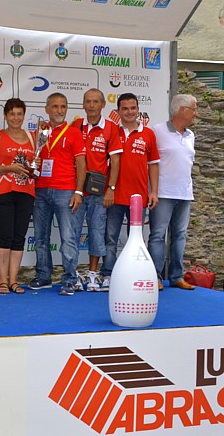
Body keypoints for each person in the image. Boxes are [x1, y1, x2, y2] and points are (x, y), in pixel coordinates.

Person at [28, 92, 86, 296]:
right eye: (55, 106)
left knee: (68, 237)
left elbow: (81, 165)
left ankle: (70, 279)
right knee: (40, 237)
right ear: (47, 109)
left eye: (63, 106)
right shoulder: (41, 133)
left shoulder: (74, 133)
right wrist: (33, 166)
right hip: (41, 189)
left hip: (65, 190)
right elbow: (36, 160)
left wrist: (78, 191)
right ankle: (44, 276)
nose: (59, 111)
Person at [103, 93, 160, 290]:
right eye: (125, 108)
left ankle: (133, 275)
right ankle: (108, 275)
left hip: (138, 197)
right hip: (114, 195)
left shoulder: (149, 134)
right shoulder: (112, 131)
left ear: (138, 110)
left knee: (135, 240)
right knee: (110, 238)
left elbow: (153, 165)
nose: (129, 112)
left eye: (132, 108)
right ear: (118, 111)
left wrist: (154, 192)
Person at [71, 88, 122, 292]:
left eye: (95, 102)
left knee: (97, 233)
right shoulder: (75, 126)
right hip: (76, 191)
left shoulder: (111, 128)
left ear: (102, 105)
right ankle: (72, 273)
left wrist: (111, 189)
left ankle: (93, 275)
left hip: (99, 192)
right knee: (72, 234)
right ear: (83, 105)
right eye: (88, 101)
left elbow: (116, 161)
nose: (91, 105)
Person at [149, 94, 198, 290]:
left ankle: (176, 276)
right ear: (181, 110)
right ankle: (155, 277)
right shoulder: (157, 131)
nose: (196, 113)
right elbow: (150, 163)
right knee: (158, 235)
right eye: (194, 109)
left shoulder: (191, 135)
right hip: (162, 193)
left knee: (179, 235)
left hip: (185, 193)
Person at [0, 98, 35, 294]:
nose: (16, 118)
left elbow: (35, 167)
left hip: (26, 192)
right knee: (4, 236)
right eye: (12, 114)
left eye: (19, 114)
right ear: (5, 116)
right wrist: (9, 168)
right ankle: (2, 280)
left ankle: (14, 280)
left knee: (18, 237)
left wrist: (34, 167)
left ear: (24, 115)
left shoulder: (33, 137)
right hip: (3, 191)